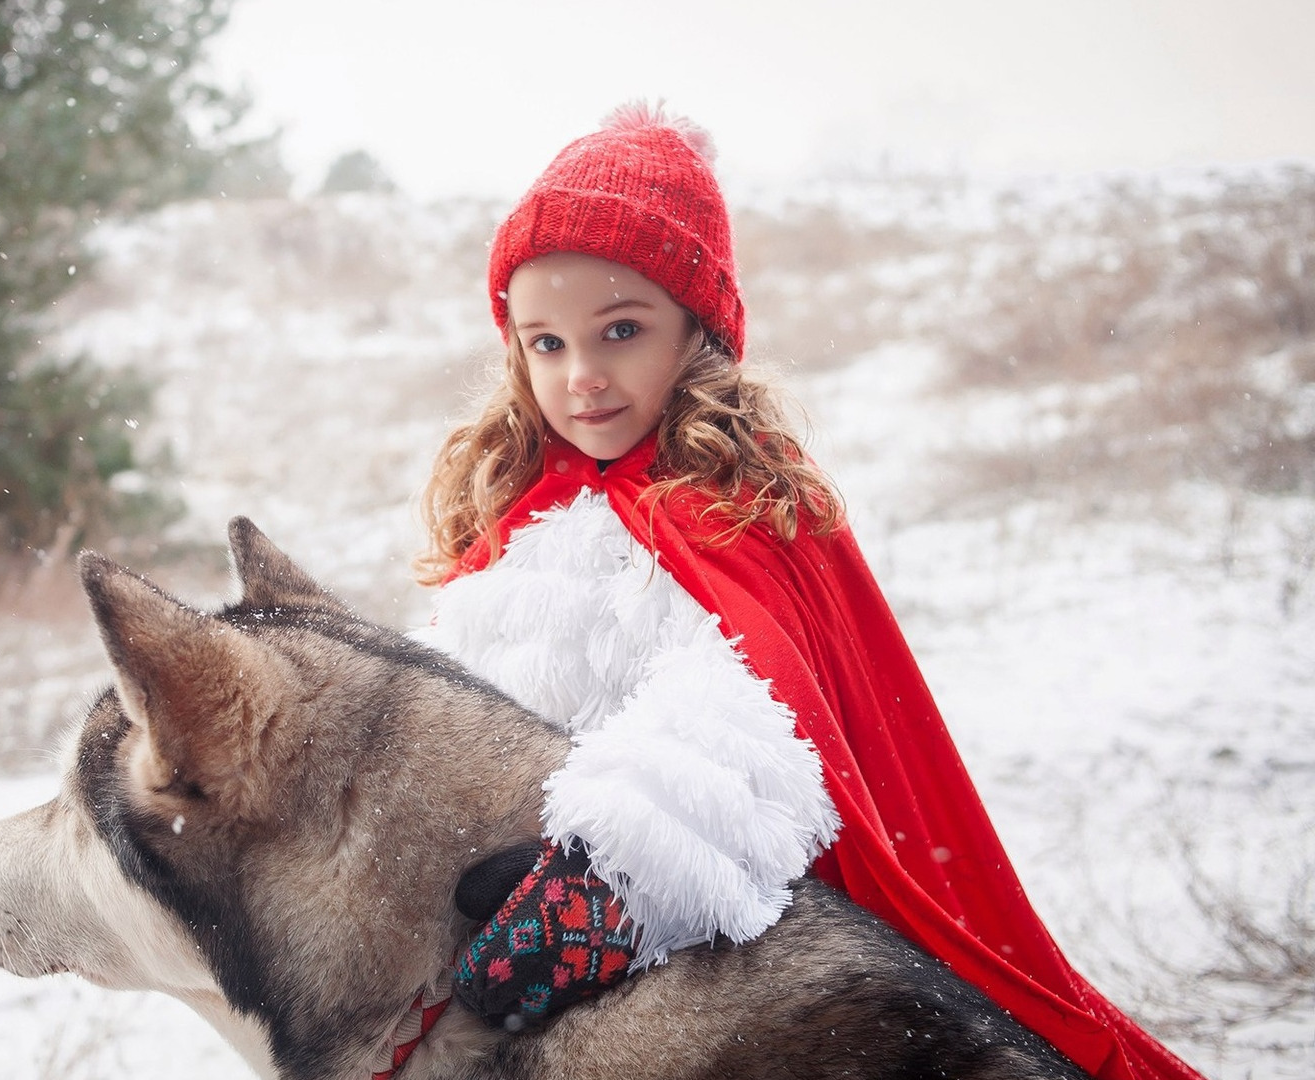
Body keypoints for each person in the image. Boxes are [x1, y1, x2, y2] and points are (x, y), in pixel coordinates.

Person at [408, 104, 1203, 1080]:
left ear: (696, 330)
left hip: (713, 950)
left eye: (620, 330)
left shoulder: (735, 509)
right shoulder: (524, 518)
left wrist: (612, 878)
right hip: (506, 931)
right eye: (547, 344)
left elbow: (746, 716)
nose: (583, 378)